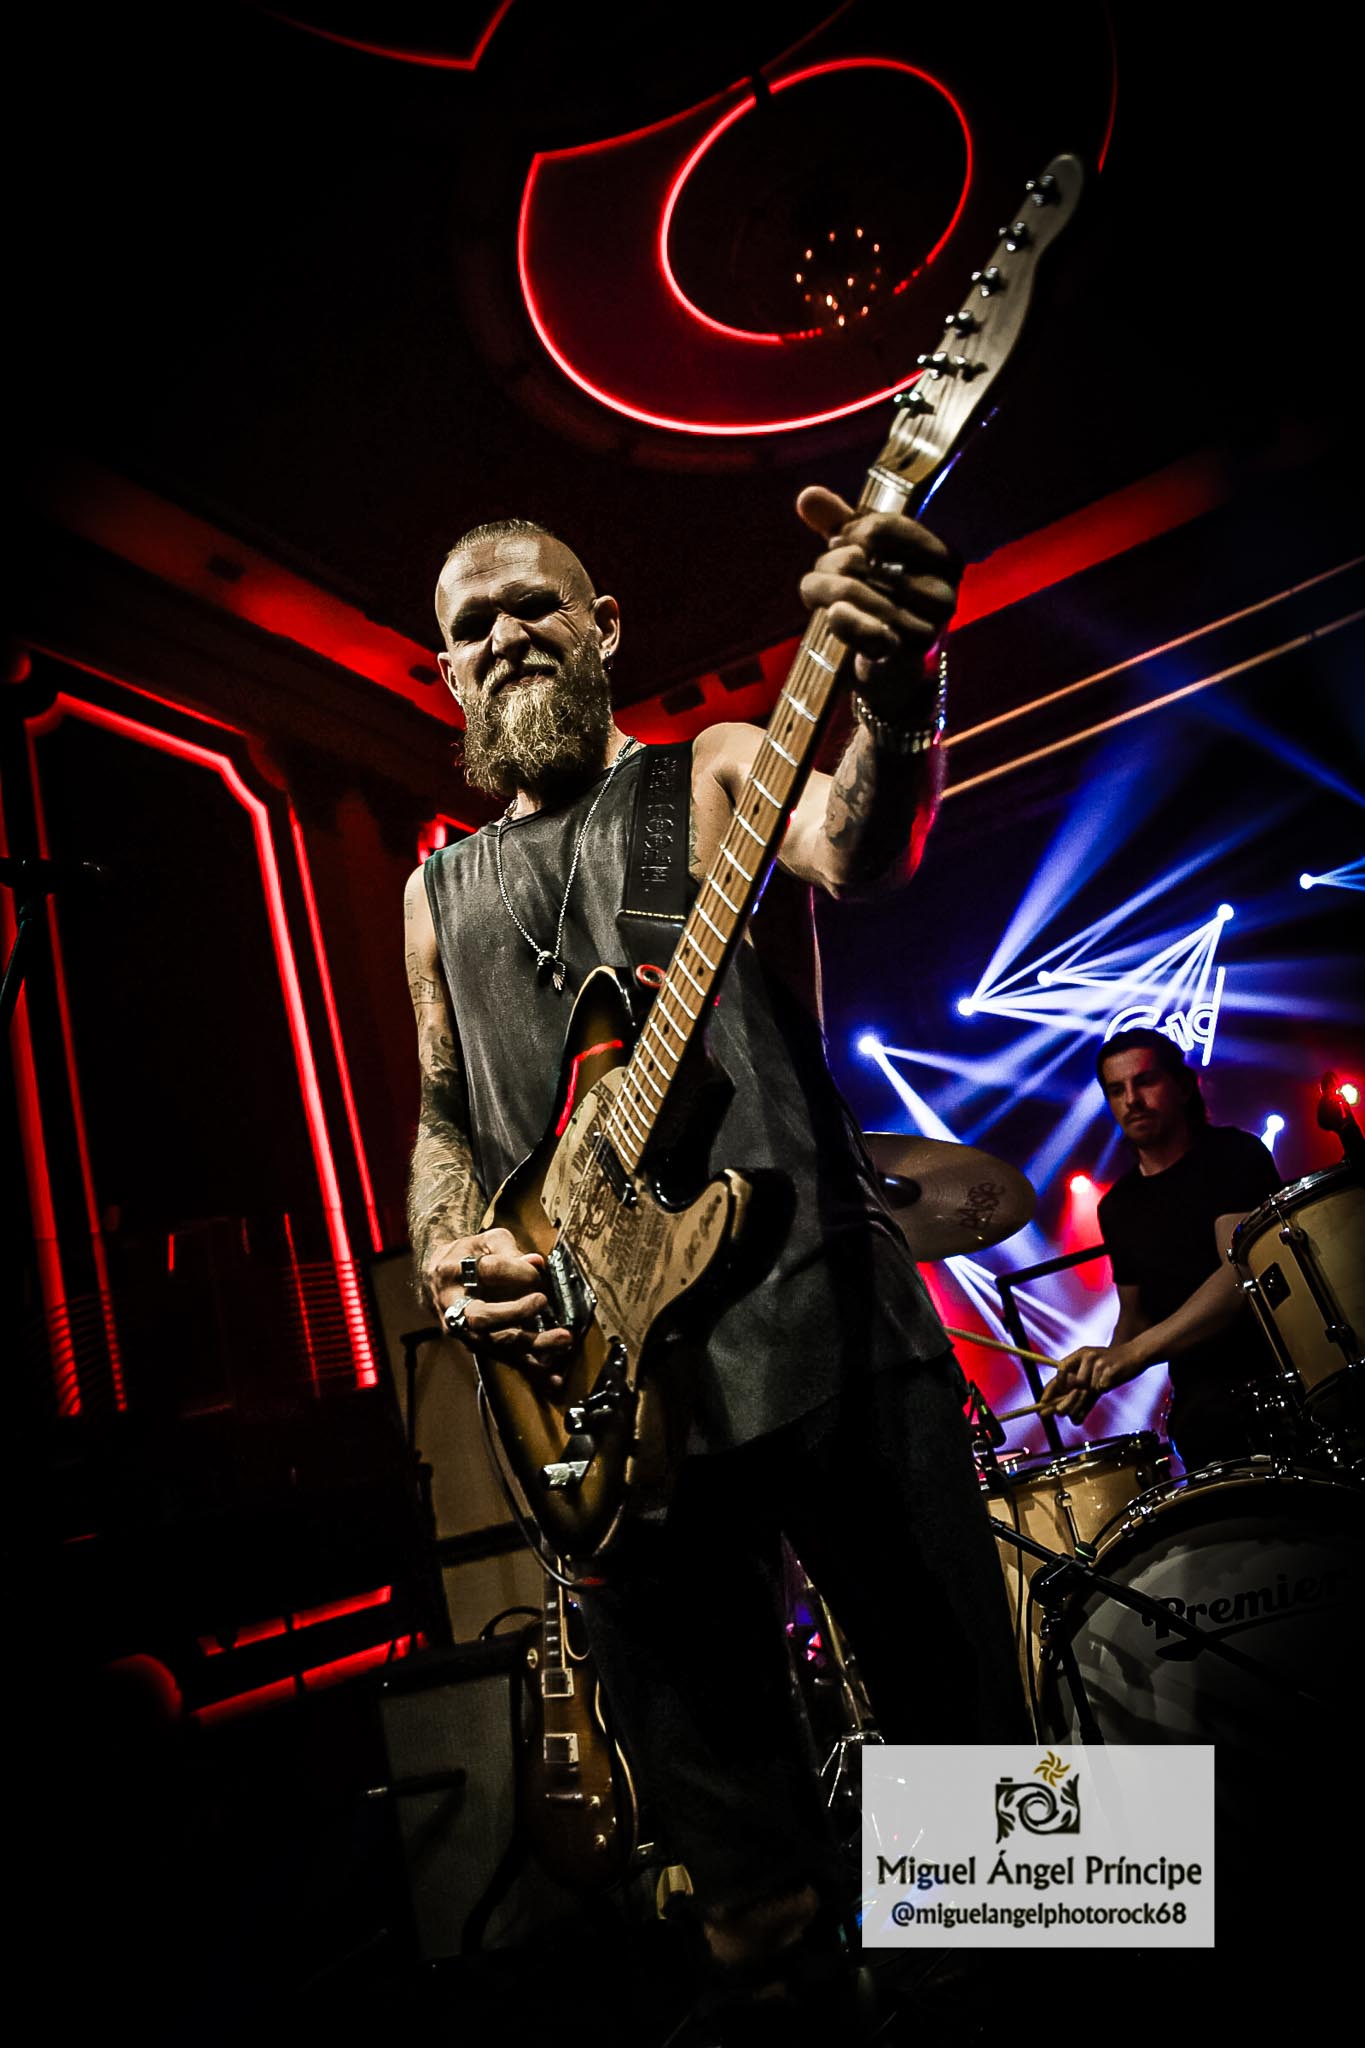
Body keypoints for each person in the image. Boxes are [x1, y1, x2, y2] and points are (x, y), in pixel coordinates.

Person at [402, 489, 1029, 2025]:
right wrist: (447, 1255)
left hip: (823, 1330)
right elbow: (439, 1116)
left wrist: (899, 687)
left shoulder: (718, 768)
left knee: (995, 1826)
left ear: (605, 627)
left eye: (537, 605)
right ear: (447, 673)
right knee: (747, 1906)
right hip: (613, 1424)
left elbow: (860, 850)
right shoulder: (432, 892)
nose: (507, 635)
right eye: (474, 626)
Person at [1046, 1028, 1283, 1467]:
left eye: (1145, 1081)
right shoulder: (1117, 1206)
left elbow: (1239, 1275)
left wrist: (1133, 1354)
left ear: (1183, 1086)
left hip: (1275, 1388)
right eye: (1116, 1090)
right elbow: (1135, 1320)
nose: (1131, 1100)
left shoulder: (1234, 1154)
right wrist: (1096, 1371)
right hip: (1200, 1416)